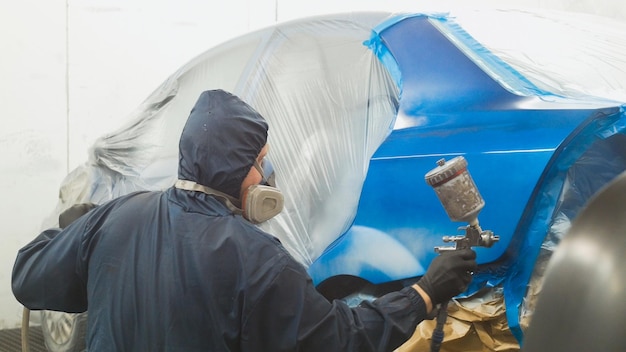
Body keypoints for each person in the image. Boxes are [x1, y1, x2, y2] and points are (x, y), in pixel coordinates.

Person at [12, 89, 477, 351]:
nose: (267, 176)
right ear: (234, 167)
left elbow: (28, 278)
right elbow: (342, 340)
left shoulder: (117, 218)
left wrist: (75, 229)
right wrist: (423, 293)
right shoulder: (257, 260)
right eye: (260, 162)